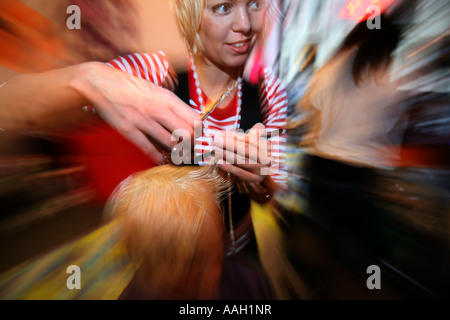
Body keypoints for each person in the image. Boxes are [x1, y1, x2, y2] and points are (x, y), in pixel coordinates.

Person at [105, 164, 230, 299]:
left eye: (217, 255)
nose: (213, 273)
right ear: (151, 270)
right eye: (193, 262)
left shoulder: (243, 277)